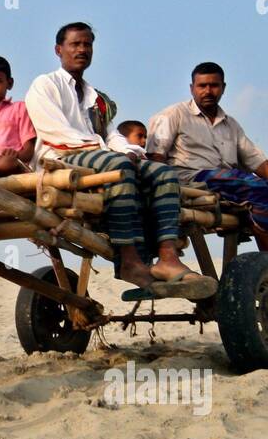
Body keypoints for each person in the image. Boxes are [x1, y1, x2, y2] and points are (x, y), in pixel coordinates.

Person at [24, 22, 206, 289]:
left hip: (97, 154)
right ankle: (130, 261)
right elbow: (54, 131)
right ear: (58, 49)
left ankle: (167, 256)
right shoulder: (45, 84)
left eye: (87, 44)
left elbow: (110, 134)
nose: (82, 49)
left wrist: (129, 151)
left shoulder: (94, 96)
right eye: (75, 44)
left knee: (163, 172)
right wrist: (111, 152)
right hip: (61, 157)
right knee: (117, 166)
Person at [146, 62, 268, 272]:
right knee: (253, 186)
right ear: (192, 88)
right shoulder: (173, 115)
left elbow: (255, 160)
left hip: (229, 179)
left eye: (214, 85)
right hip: (191, 178)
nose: (208, 91)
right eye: (202, 86)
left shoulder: (230, 124)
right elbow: (155, 158)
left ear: (223, 87)